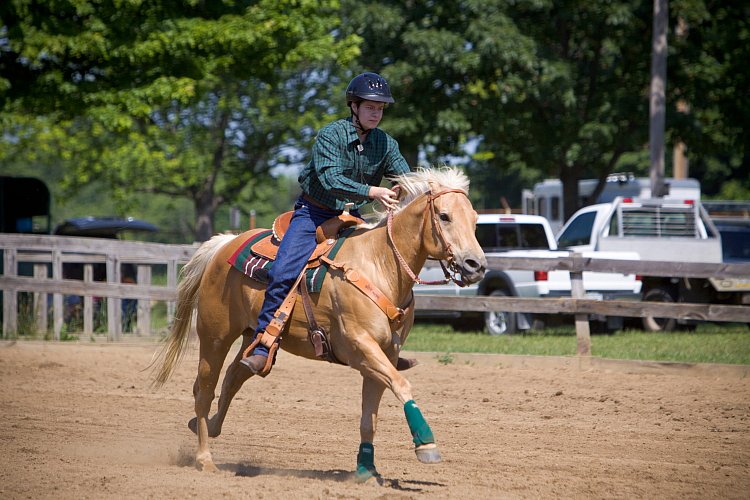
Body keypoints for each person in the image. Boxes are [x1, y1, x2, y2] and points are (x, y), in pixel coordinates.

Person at [240, 71, 411, 376]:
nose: (376, 113)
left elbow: (403, 175)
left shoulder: (386, 143)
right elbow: (331, 179)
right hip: (314, 213)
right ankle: (264, 344)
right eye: (370, 106)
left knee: (389, 270)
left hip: (352, 217)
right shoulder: (330, 135)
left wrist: (405, 188)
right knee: (282, 271)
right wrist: (373, 191)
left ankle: (386, 345)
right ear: (354, 106)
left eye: (380, 108)